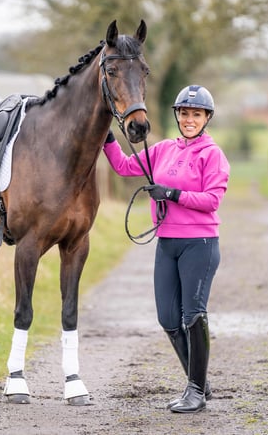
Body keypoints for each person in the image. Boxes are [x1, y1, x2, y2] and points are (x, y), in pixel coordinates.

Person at [103, 85, 230, 413]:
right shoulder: (163, 149)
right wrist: (105, 135)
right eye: (185, 113)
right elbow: (123, 166)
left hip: (199, 244)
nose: (189, 119)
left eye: (196, 114)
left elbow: (212, 200)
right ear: (178, 116)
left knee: (193, 315)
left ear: (206, 118)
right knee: (168, 318)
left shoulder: (212, 155)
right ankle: (199, 380)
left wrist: (172, 194)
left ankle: (195, 390)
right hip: (167, 243)